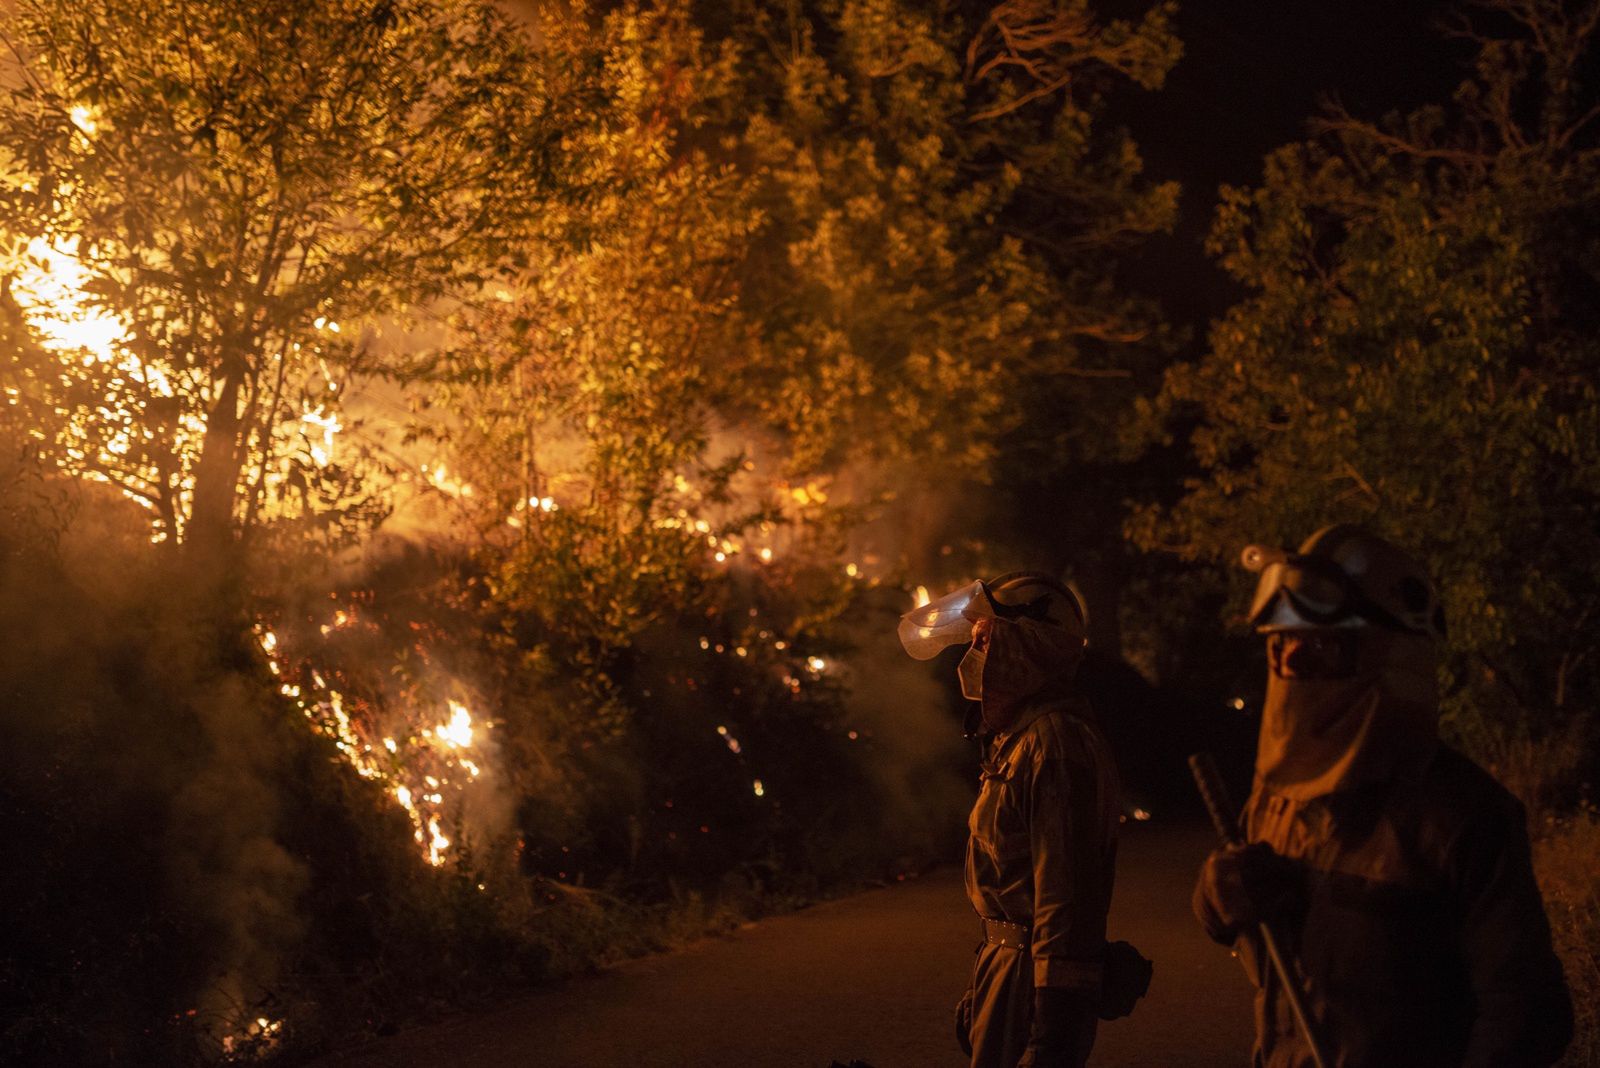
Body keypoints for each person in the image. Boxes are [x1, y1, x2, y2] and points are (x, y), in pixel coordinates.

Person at [1194, 525, 1573, 1068]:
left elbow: (1527, 1009)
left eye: (1322, 643)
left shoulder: (1461, 815)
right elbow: (1233, 926)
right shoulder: (1279, 798)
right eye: (1282, 642)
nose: (1292, 664)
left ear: (1388, 653)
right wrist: (1216, 895)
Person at [900, 572, 1147, 1068]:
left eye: (987, 639)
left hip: (1031, 975)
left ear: (1030, 647)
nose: (975, 654)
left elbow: (1064, 895)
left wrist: (1053, 1022)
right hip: (1009, 967)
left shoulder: (1054, 744)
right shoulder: (1024, 740)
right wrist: (988, 977)